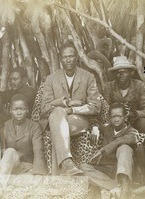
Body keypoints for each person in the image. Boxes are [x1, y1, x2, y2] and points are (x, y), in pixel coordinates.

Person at [40, 42, 101, 175]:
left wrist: (73, 110)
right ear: (61, 59)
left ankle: (58, 173)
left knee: (57, 122)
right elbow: (44, 108)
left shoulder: (88, 77)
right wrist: (65, 103)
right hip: (57, 119)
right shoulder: (51, 79)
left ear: (77, 58)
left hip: (78, 120)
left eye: (72, 56)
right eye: (65, 57)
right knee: (58, 114)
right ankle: (67, 164)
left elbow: (96, 107)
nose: (69, 59)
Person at [79, 103, 145, 199]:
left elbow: (133, 138)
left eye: (119, 116)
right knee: (82, 167)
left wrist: (103, 150)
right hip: (107, 169)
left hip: (124, 170)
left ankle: (124, 184)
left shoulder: (131, 131)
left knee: (124, 147)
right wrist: (95, 128)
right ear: (109, 118)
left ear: (125, 117)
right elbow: (96, 123)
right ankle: (118, 188)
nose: (116, 119)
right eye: (113, 117)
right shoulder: (107, 128)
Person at [0, 94, 47, 189]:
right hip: (10, 167)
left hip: (27, 168)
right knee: (10, 151)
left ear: (27, 110)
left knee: (32, 182)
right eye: (15, 109)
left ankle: (8, 182)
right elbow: (2, 151)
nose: (19, 112)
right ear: (10, 110)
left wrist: (38, 173)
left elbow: (38, 150)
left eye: (22, 109)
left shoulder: (34, 126)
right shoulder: (5, 126)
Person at [104, 56, 145, 134]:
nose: (121, 75)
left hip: (135, 120)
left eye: (124, 72)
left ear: (130, 73)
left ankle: (140, 143)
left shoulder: (141, 86)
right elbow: (105, 109)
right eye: (118, 72)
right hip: (116, 120)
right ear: (114, 74)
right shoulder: (108, 87)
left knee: (144, 122)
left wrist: (133, 113)